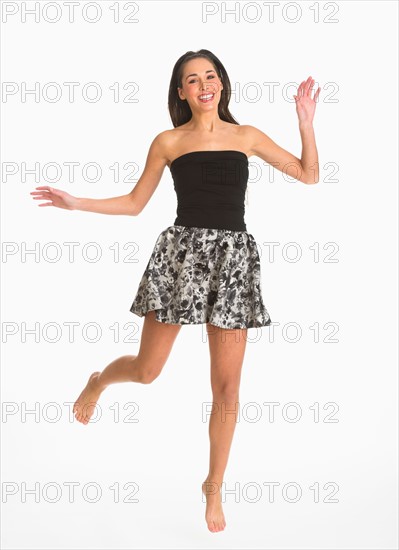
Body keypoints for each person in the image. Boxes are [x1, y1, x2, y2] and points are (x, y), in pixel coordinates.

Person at [30, 49, 320, 533]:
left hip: (232, 263)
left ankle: (214, 485)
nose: (203, 84)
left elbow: (308, 174)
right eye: (192, 79)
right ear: (182, 91)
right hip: (180, 259)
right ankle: (100, 379)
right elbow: (134, 202)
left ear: (222, 83)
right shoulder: (168, 141)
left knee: (227, 389)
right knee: (146, 372)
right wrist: (76, 202)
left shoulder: (246, 136)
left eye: (210, 75)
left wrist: (305, 122)